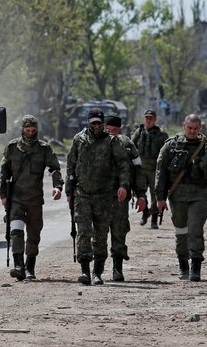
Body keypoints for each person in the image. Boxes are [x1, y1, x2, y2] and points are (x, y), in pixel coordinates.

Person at [66, 108, 131, 285]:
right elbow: (71, 166)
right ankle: (85, 271)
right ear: (88, 122)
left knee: (101, 235)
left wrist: (123, 186)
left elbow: (124, 164)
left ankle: (97, 272)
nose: (96, 126)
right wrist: (68, 191)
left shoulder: (111, 141)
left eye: (99, 123)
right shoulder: (79, 140)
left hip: (104, 196)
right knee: (83, 232)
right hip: (82, 194)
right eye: (93, 123)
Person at [155, 113, 207, 282]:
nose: (192, 131)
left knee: (195, 230)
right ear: (184, 126)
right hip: (177, 196)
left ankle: (196, 267)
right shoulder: (171, 146)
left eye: (196, 129)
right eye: (189, 128)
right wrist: (160, 198)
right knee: (181, 232)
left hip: (199, 195)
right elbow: (160, 172)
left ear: (200, 128)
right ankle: (183, 264)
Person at [0, 114, 63, 281]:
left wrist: (58, 187)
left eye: (33, 130)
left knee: (34, 234)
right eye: (27, 130)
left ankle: (30, 267)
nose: (30, 133)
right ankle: (18, 266)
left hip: (35, 199)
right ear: (22, 130)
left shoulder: (44, 149)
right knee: (16, 231)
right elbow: (4, 172)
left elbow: (55, 169)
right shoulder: (12, 147)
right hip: (17, 198)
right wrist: (3, 195)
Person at [104, 113, 147, 281]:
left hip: (121, 197)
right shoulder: (96, 143)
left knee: (119, 231)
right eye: (108, 130)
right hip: (99, 196)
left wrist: (141, 195)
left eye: (114, 130)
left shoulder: (128, 145)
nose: (111, 133)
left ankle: (117, 268)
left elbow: (138, 171)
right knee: (98, 233)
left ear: (119, 129)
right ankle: (96, 268)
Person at [131, 109, 169, 229]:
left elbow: (167, 151)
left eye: (151, 118)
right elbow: (131, 147)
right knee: (139, 192)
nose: (148, 120)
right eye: (147, 118)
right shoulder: (139, 132)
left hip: (155, 169)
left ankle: (154, 220)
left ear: (155, 120)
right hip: (141, 169)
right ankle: (145, 212)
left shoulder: (161, 134)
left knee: (156, 195)